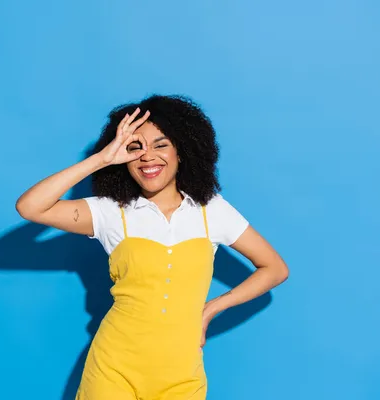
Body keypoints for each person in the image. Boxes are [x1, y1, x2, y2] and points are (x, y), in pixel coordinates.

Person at [15, 94, 289, 400]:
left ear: (181, 152)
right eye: (135, 147)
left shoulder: (211, 210)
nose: (147, 156)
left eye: (160, 145)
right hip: (114, 367)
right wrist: (101, 159)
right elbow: (31, 207)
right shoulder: (109, 212)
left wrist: (212, 308)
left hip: (181, 374)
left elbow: (275, 269)